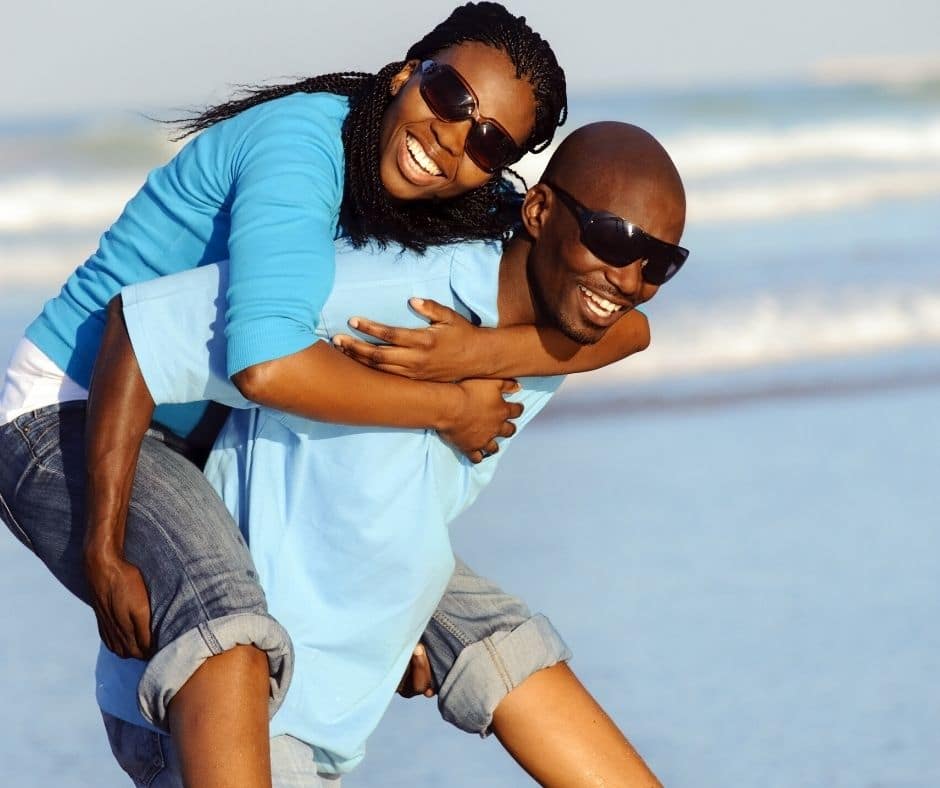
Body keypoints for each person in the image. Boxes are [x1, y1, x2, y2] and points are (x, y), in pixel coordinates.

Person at [0, 4, 592, 787]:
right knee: (224, 621)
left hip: (207, 439)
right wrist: (102, 549)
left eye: (489, 141)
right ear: (404, 74)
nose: (453, 137)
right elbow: (268, 369)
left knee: (470, 615)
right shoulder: (301, 144)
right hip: (66, 410)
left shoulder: (439, 187)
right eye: (450, 96)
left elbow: (612, 314)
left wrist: (479, 350)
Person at [83, 122, 687, 785]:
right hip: (240, 706)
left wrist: (480, 354)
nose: (628, 280)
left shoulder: (563, 315)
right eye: (612, 240)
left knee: (507, 640)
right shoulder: (394, 296)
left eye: (658, 262)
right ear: (540, 212)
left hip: (338, 697)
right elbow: (141, 325)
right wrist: (103, 552)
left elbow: (634, 331)